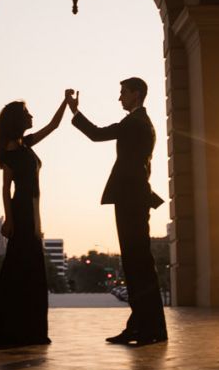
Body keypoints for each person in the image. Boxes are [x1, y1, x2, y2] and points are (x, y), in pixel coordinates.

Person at [67, 78, 167, 346]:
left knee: (138, 265)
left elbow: (97, 134)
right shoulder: (139, 122)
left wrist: (74, 111)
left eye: (122, 92)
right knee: (137, 265)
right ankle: (144, 326)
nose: (119, 97)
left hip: (131, 199)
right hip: (133, 198)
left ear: (136, 94)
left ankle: (148, 328)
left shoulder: (134, 123)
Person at [0, 92, 70, 346]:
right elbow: (6, 188)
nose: (32, 116)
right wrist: (9, 220)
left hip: (31, 212)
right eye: (27, 114)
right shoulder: (11, 149)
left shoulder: (25, 144)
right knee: (22, 270)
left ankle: (27, 330)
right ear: (18, 120)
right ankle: (1, 325)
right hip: (21, 213)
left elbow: (54, 126)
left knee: (27, 271)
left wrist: (66, 102)